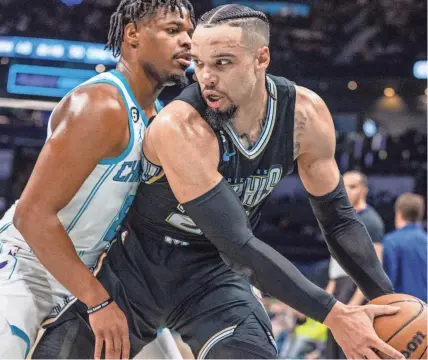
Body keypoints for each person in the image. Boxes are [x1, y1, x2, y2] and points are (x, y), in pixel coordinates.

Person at [33, 4, 405, 360]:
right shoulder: (180, 126)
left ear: (262, 59)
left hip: (215, 279)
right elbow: (237, 242)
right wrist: (336, 316)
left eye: (222, 63)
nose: (206, 78)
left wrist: (387, 306)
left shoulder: (304, 115)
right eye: (198, 63)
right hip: (136, 273)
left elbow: (338, 219)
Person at [0, 0, 195, 358]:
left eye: (189, 33)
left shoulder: (162, 120)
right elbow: (32, 215)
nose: (187, 42)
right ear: (132, 34)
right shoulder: (100, 105)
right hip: (27, 265)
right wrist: (97, 300)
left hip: (90, 275)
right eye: (172, 31)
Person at [325, 170, 385, 359]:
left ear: (364, 190)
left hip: (355, 289)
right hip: (340, 290)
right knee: (332, 350)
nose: (346, 191)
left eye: (352, 186)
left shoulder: (370, 221)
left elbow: (374, 268)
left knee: (349, 350)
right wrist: (326, 296)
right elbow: (336, 270)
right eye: (343, 186)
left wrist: (354, 304)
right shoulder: (341, 219)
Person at [383, 193, 427, 303]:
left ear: (399, 214)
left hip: (403, 309)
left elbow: (387, 283)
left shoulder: (391, 241)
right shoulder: (425, 240)